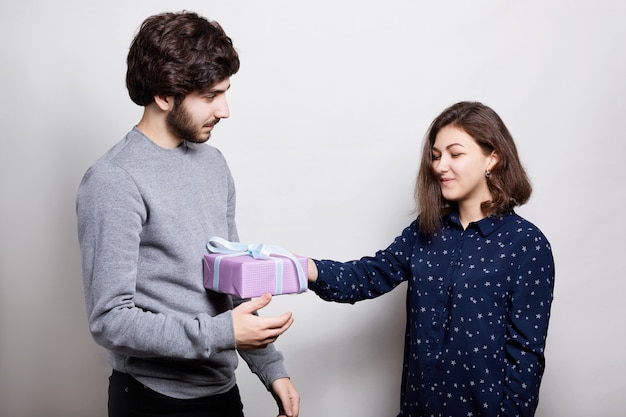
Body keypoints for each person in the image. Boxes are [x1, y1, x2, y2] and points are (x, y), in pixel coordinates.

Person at [76, 11, 299, 417]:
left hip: (222, 392)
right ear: (165, 95)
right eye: (211, 96)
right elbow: (110, 320)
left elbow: (230, 280)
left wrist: (272, 370)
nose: (226, 110)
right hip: (153, 400)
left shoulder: (214, 164)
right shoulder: (113, 180)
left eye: (225, 92)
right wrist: (222, 332)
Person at [306, 101, 554, 417]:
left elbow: (526, 357)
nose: (439, 166)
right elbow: (369, 275)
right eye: (436, 156)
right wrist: (305, 268)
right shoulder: (426, 229)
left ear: (492, 157)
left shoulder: (526, 244)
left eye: (455, 154)